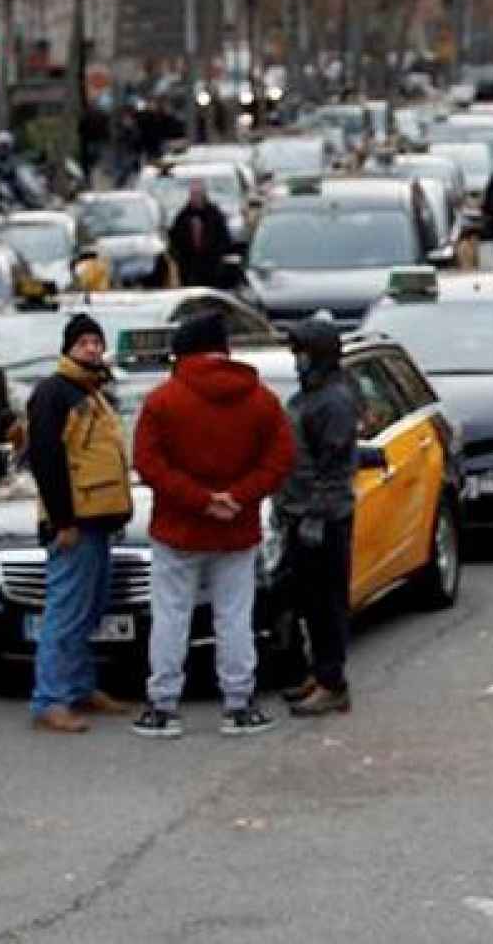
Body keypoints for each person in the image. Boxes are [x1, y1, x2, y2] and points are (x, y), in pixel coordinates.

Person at [131, 311, 296, 739]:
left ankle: (163, 706)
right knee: (234, 616)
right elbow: (280, 459)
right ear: (225, 349)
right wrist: (238, 497)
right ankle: (239, 704)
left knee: (170, 614)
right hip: (236, 528)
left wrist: (200, 501)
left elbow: (149, 463)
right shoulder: (260, 399)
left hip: (178, 526)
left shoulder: (162, 400)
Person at [22, 314, 136, 733]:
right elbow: (46, 460)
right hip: (75, 524)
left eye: (97, 342)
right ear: (68, 347)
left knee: (89, 610)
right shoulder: (55, 393)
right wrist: (63, 519)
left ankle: (80, 687)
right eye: (84, 342)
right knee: (66, 613)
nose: (92, 348)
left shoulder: (94, 392)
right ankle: (50, 700)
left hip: (98, 521)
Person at [277, 319, 360, 717]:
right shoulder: (310, 395)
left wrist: (317, 515)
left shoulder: (333, 402)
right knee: (308, 601)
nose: (297, 360)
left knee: (327, 603)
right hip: (300, 511)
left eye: (303, 353)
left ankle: (333, 682)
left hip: (324, 519)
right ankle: (320, 672)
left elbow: (334, 466)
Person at [168, 179, 233, 289]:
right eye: (193, 195)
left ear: (204, 195)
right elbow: (173, 242)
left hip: (211, 269)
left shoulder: (215, 214)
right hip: (189, 270)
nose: (195, 198)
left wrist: (217, 257)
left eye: (198, 194)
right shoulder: (182, 216)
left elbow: (224, 239)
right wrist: (180, 260)